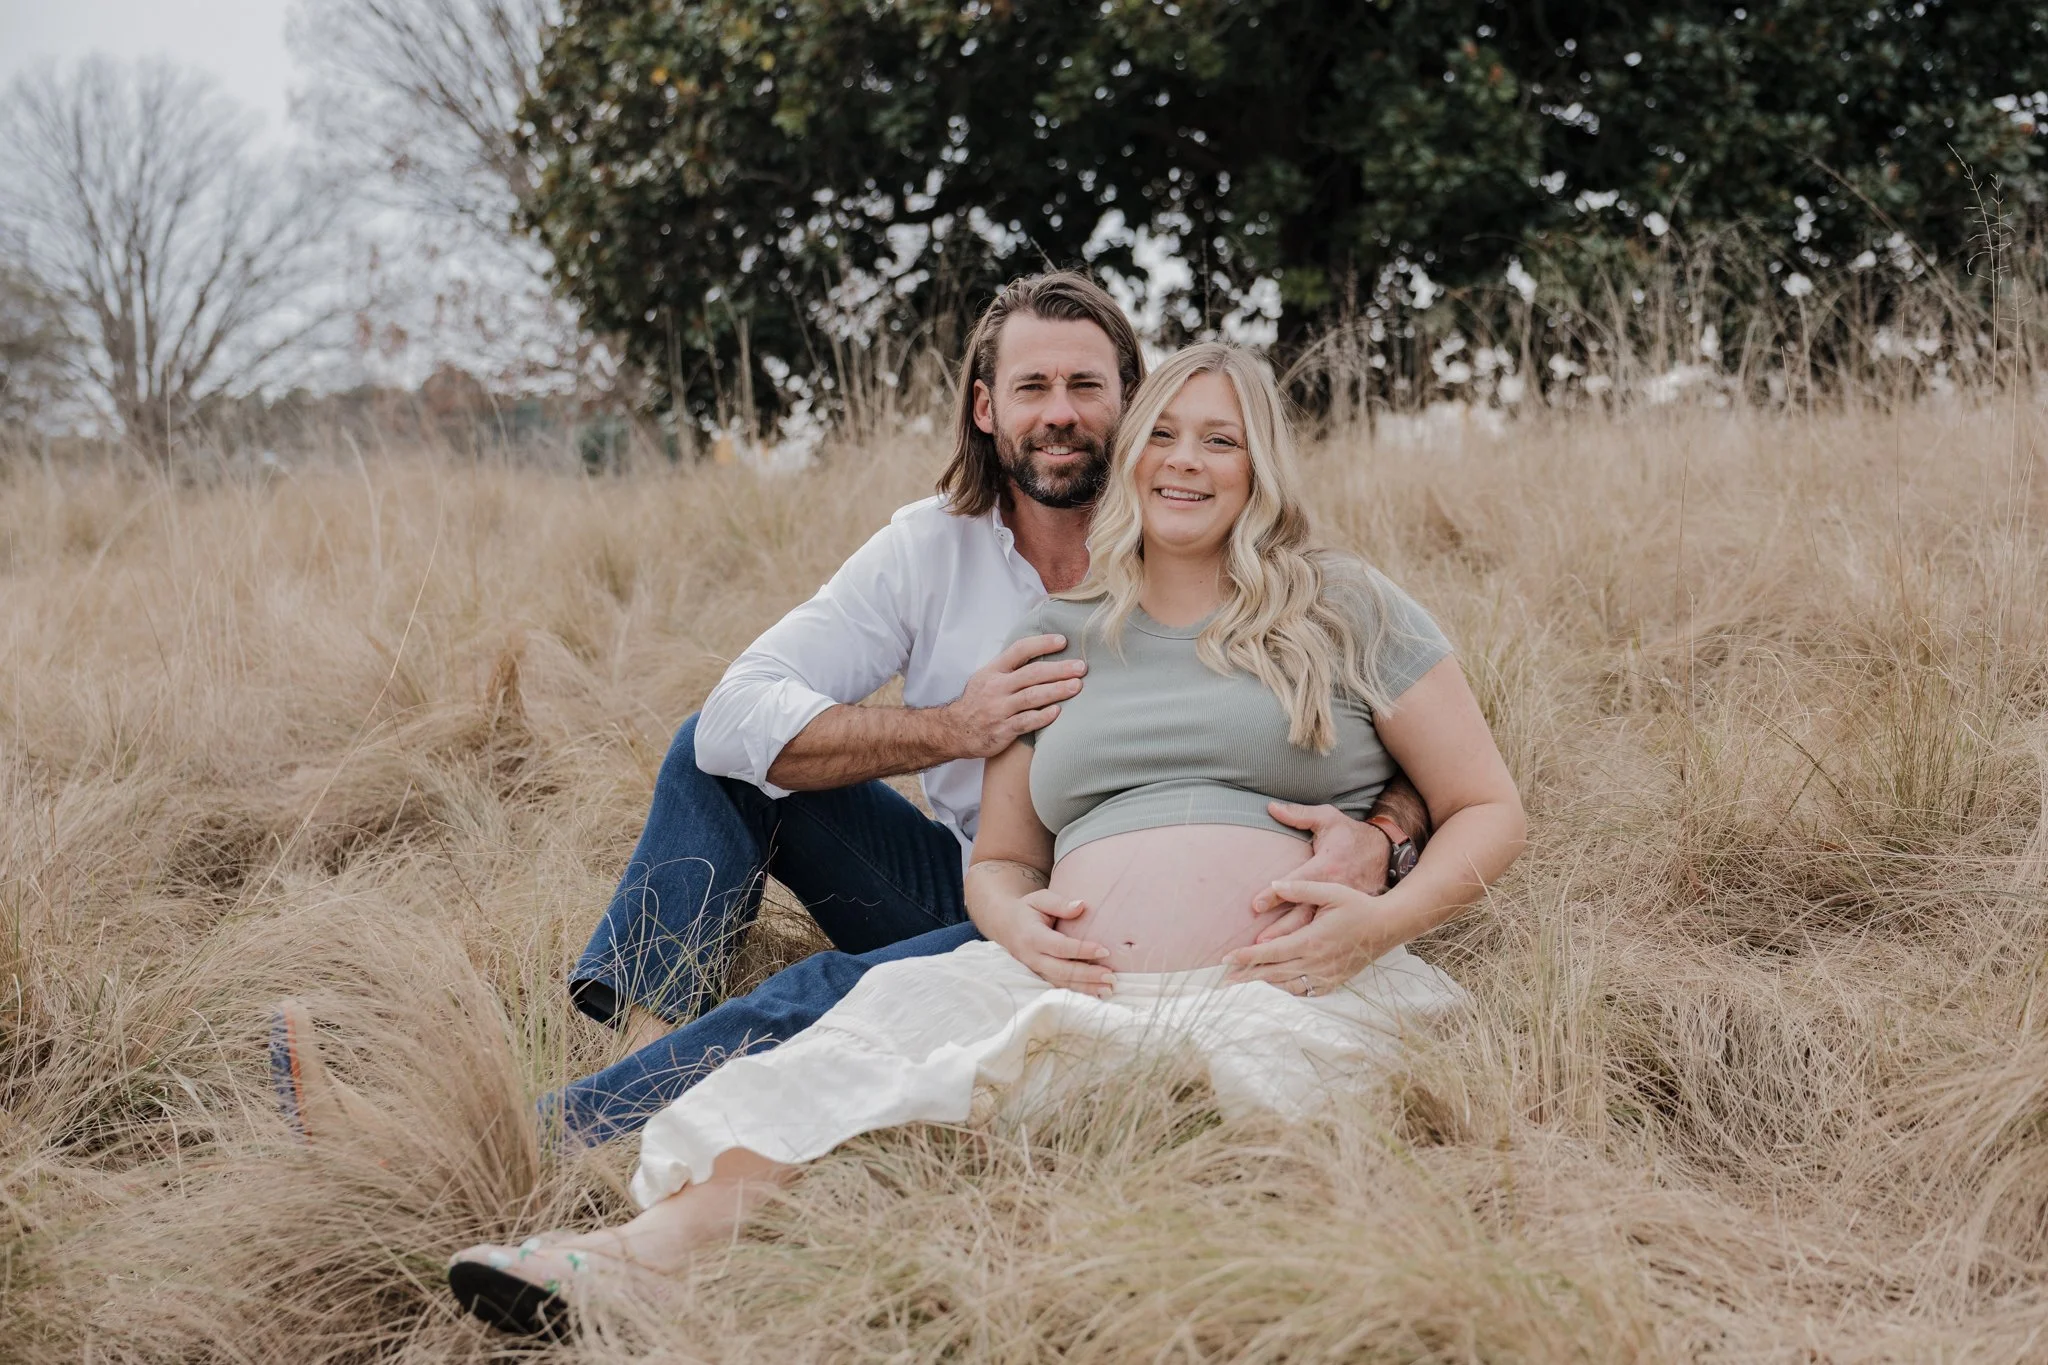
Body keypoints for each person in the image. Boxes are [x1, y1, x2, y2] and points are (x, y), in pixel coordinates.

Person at [444, 342, 1527, 1337]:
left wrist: (1380, 914)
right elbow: (1001, 859)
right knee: (843, 1072)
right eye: (1165, 433)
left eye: (1220, 439)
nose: (1184, 461)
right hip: (1064, 977)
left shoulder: (1342, 605)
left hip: (1289, 982)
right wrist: (1011, 917)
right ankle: (618, 1262)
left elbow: (1484, 802)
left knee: (1238, 1166)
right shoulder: (1053, 628)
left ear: (1261, 467)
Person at [274, 273, 1434, 1150]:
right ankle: (646, 1052)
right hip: (973, 882)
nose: (1061, 412)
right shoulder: (927, 554)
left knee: (831, 991)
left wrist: (1380, 836)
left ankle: (541, 1134)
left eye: (1088, 385)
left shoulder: (1229, 556)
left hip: (1097, 917)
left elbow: (1392, 738)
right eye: (1031, 387)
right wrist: (949, 729)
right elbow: (740, 712)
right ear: (986, 411)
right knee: (721, 755)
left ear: (1133, 405)